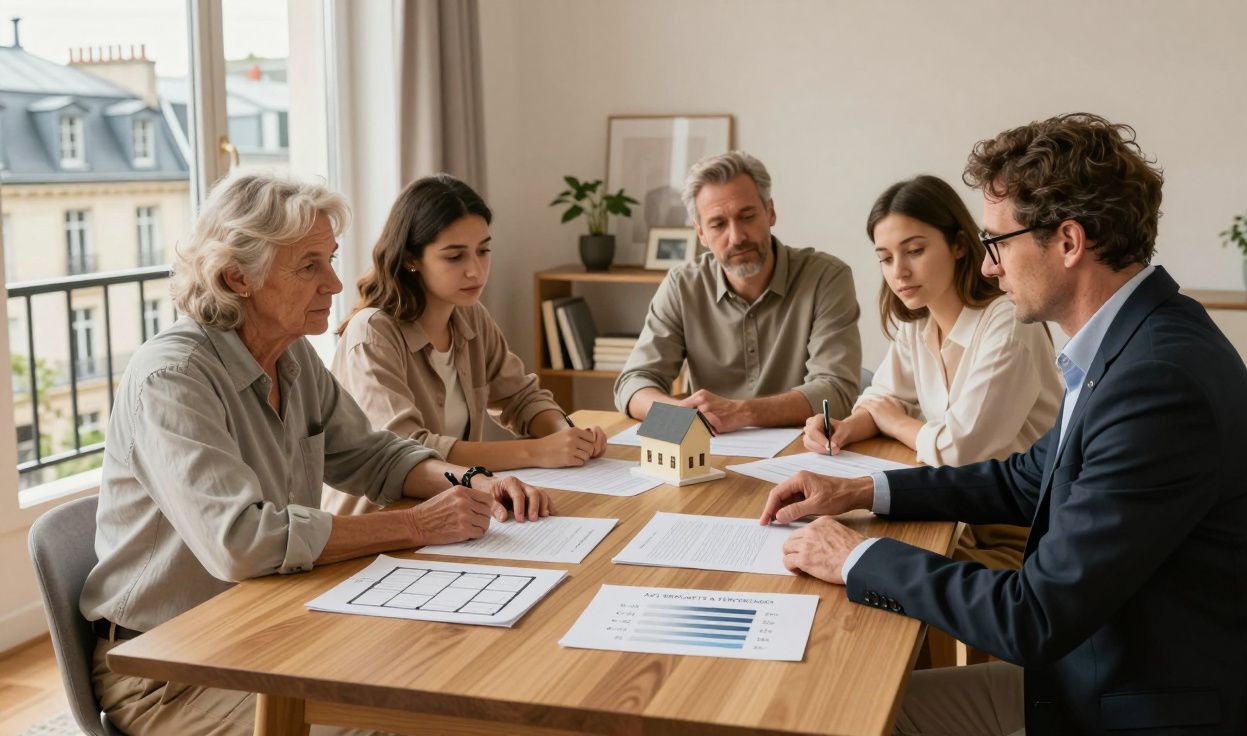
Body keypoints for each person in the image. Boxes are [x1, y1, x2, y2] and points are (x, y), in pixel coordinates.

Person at [762, 113, 1247, 735]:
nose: (988, 268)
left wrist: (857, 557)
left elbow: (1032, 615)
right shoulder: (1131, 341)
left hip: (1148, 706)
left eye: (996, 244)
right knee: (855, 714)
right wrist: (863, 492)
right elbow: (1025, 478)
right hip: (1104, 671)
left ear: (1068, 242)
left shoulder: (1158, 382)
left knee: (844, 717)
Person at [80, 173, 552, 736]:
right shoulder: (173, 377)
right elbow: (242, 541)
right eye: (309, 266)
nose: (334, 282)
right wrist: (417, 525)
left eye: (329, 259)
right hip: (171, 670)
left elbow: (373, 455)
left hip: (269, 624)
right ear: (238, 276)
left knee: (459, 679)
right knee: (391, 722)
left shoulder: (294, 357)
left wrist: (471, 479)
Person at [800, 175, 1062, 569]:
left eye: (914, 251)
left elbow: (959, 452)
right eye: (886, 259)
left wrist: (894, 421)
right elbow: (882, 396)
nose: (899, 271)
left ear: (959, 244)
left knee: (864, 567)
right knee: (832, 550)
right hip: (959, 509)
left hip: (1020, 528)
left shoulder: (1008, 325)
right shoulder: (917, 321)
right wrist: (846, 426)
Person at [322, 175, 606, 516]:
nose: (476, 271)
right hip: (384, 523)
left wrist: (566, 437)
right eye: (455, 257)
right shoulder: (372, 333)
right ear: (412, 258)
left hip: (454, 514)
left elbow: (520, 397)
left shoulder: (470, 316)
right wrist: (538, 452)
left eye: (483, 251)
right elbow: (409, 450)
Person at [614, 151, 861, 433]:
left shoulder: (826, 277)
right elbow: (633, 383)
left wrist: (741, 412)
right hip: (710, 451)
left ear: (770, 212)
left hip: (803, 450)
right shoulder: (682, 285)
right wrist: (677, 416)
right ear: (701, 234)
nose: (737, 237)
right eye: (718, 224)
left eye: (747, 216)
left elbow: (837, 390)